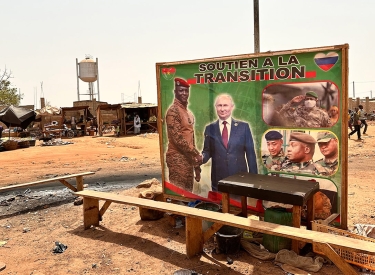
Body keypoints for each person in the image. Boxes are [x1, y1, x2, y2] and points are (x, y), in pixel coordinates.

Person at [200, 94, 257, 191]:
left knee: (239, 205)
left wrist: (254, 179)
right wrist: (201, 157)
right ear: (216, 107)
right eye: (219, 105)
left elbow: (250, 155)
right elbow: (207, 151)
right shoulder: (210, 128)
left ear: (232, 107)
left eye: (225, 105)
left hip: (240, 179)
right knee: (220, 205)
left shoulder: (243, 127)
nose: (222, 109)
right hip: (218, 180)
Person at [165, 77, 201, 192]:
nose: (184, 93)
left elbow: (190, 139)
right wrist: (196, 153)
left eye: (186, 91)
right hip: (177, 159)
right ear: (175, 92)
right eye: (181, 90)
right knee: (179, 195)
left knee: (188, 195)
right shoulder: (173, 111)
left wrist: (196, 166)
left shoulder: (186, 112)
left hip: (187, 160)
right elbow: (177, 138)